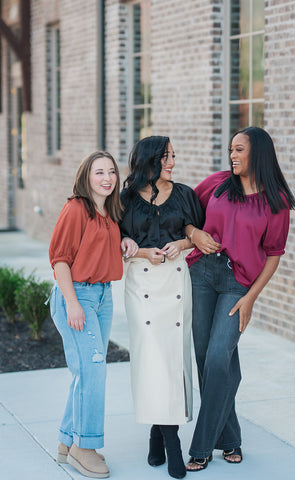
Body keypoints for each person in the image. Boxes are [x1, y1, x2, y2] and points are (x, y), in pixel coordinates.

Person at [184, 126, 295, 472]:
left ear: (258, 153)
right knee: (208, 359)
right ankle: (231, 439)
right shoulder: (217, 183)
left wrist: (250, 299)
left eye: (239, 150)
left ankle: (202, 446)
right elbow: (185, 212)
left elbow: (274, 254)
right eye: (231, 150)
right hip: (201, 274)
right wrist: (194, 233)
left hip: (238, 283)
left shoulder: (275, 202)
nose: (232, 155)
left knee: (220, 357)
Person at [119, 136, 204, 479]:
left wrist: (179, 244)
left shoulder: (184, 194)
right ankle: (172, 443)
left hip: (175, 281)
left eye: (173, 156)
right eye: (166, 157)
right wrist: (139, 250)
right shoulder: (124, 199)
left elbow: (197, 233)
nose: (172, 162)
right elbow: (114, 238)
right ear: (150, 160)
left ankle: (158, 433)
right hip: (141, 287)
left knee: (172, 361)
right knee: (151, 359)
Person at [49, 151, 137, 479]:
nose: (107, 178)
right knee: (95, 370)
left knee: (86, 372)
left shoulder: (110, 212)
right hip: (77, 295)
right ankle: (84, 448)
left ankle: (65, 441)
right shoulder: (76, 209)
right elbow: (60, 259)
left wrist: (124, 239)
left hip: (103, 296)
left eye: (111, 172)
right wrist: (72, 303)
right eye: (99, 172)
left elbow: (102, 246)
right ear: (86, 176)